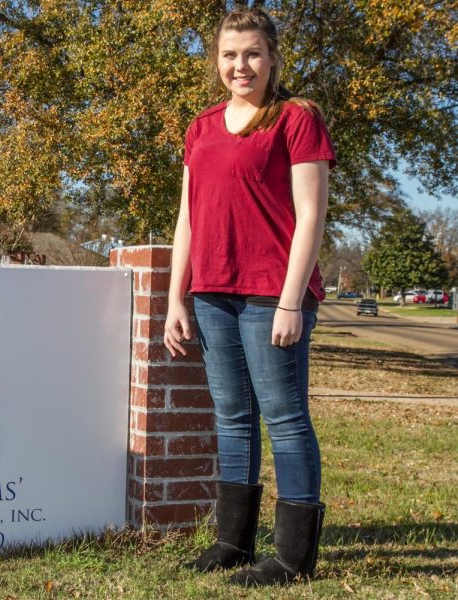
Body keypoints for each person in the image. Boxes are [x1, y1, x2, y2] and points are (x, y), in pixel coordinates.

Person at [163, 6, 335, 587]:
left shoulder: (295, 119)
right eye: (230, 55)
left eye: (252, 54)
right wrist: (176, 297)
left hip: (271, 292)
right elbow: (188, 216)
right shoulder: (201, 127)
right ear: (218, 61)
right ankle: (232, 541)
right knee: (232, 417)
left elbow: (312, 214)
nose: (241, 65)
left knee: (285, 419)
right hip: (211, 291)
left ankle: (292, 558)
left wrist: (291, 300)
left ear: (272, 59)